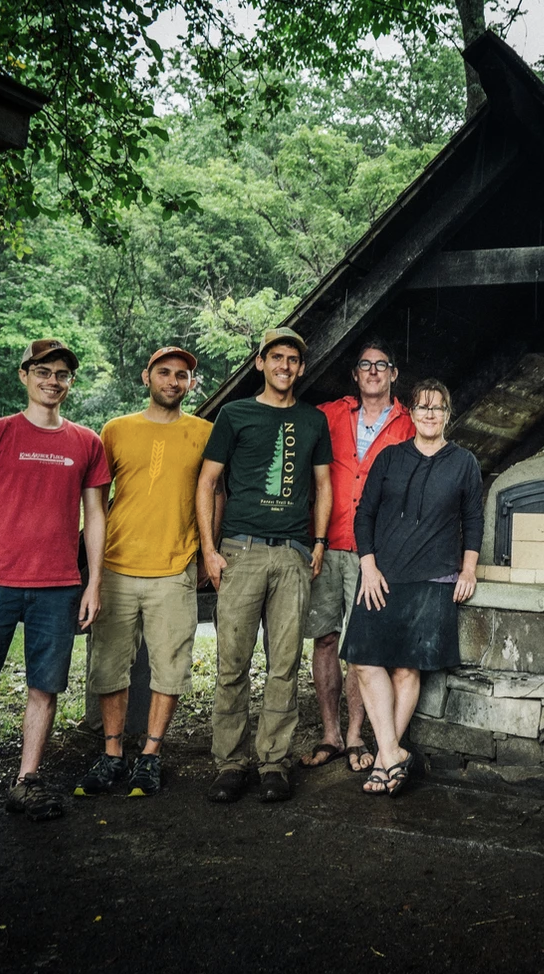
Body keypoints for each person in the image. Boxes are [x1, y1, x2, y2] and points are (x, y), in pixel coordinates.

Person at [0, 339, 110, 836]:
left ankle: (27, 780)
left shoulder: (86, 442)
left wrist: (93, 583)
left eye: (62, 374)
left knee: (45, 688)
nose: (53, 380)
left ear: (70, 383)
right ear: (24, 375)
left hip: (58, 586)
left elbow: (95, 517)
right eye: (44, 371)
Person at [196, 327, 333, 805]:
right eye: (276, 357)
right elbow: (209, 482)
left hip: (292, 554)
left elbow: (323, 484)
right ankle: (230, 763)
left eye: (293, 359)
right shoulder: (234, 415)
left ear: (299, 367)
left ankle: (273, 761)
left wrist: (316, 542)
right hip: (241, 550)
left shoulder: (314, 420)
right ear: (261, 362)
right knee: (232, 662)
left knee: (284, 664)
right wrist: (209, 550)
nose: (285, 366)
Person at [76, 346, 213, 799]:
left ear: (191, 384)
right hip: (116, 566)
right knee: (110, 664)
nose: (173, 381)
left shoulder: (205, 433)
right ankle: (113, 753)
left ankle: (151, 755)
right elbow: (94, 499)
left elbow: (215, 495)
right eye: (164, 373)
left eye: (182, 376)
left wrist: (202, 552)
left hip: (174, 567)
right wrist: (90, 566)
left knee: (169, 667)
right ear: (146, 377)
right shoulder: (115, 431)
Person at [340, 379, 482, 797]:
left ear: (448, 414)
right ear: (413, 413)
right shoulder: (389, 458)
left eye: (438, 408)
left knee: (406, 668)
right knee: (364, 662)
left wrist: (468, 569)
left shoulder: (464, 463)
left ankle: (384, 761)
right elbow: (364, 514)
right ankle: (393, 753)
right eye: (422, 407)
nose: (429, 414)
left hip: (434, 578)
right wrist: (368, 565)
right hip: (382, 575)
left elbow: (473, 519)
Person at [301, 339, 414, 774]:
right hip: (326, 544)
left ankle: (355, 735)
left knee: (362, 646)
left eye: (380, 365)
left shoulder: (408, 422)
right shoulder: (330, 414)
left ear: (393, 373)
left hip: (375, 555)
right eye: (365, 365)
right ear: (355, 373)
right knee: (325, 638)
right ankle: (330, 732)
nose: (372, 372)